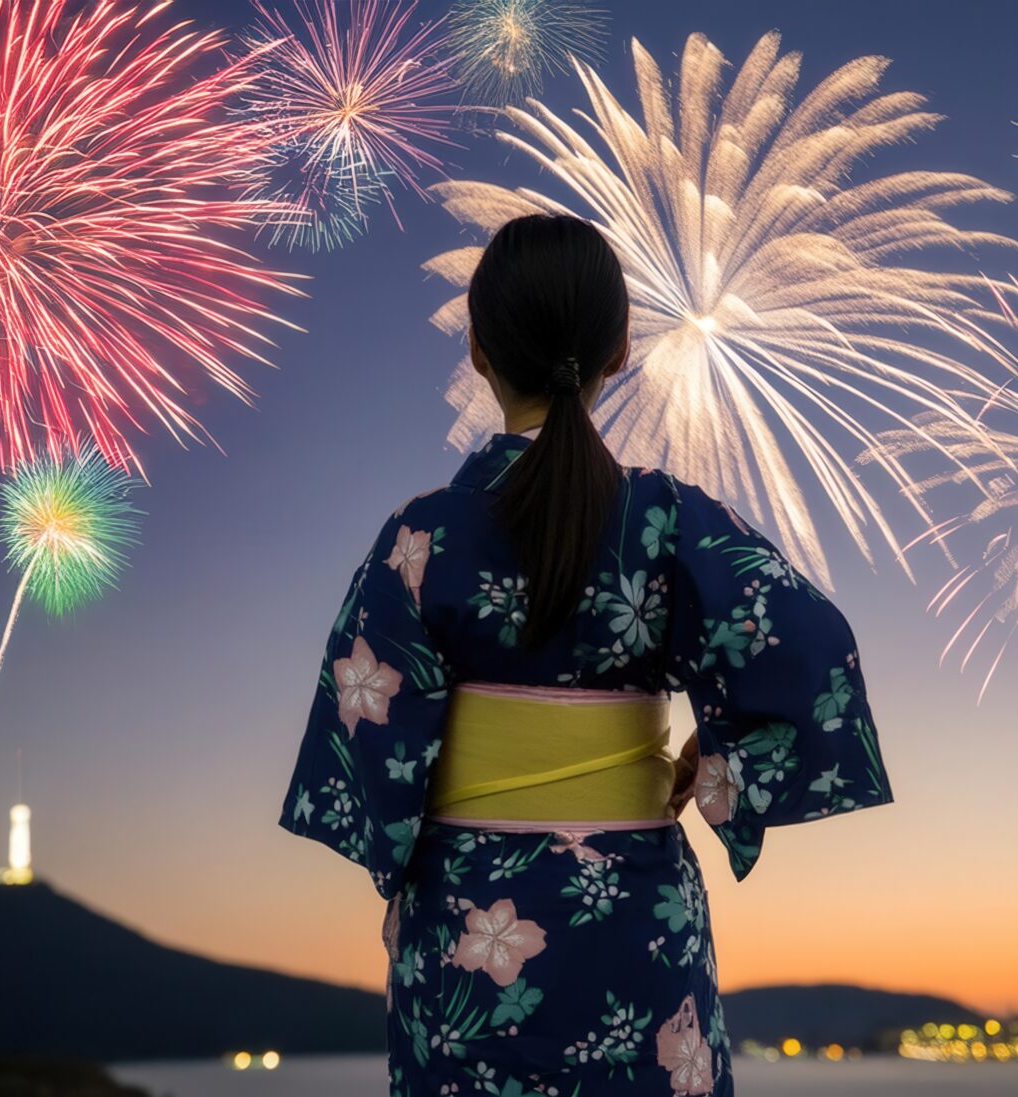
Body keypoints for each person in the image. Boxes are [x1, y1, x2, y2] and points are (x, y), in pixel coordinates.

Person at [280, 214, 893, 1097]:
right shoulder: (667, 519)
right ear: (619, 350)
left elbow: (367, 743)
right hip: (637, 915)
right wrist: (714, 763)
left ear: (480, 351)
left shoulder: (421, 537)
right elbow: (814, 652)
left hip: (468, 926)